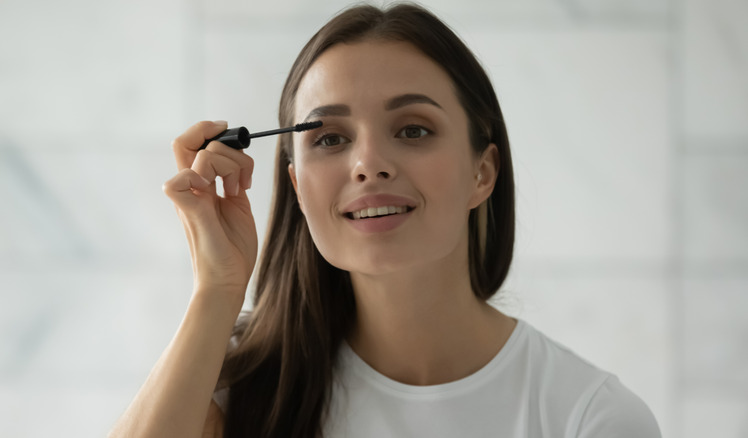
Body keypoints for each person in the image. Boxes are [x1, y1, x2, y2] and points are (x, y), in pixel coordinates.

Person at [109, 3, 661, 438]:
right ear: (298, 188)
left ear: (482, 172)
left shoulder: (590, 419)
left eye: (413, 129)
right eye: (329, 138)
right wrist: (217, 290)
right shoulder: (236, 385)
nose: (368, 163)